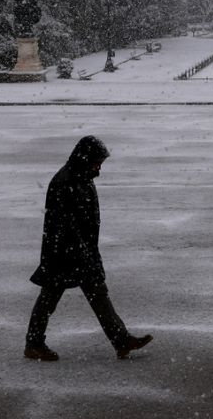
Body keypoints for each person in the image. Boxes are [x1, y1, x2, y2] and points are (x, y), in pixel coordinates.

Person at [24, 135, 153, 361]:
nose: (99, 168)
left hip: (82, 252)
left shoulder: (83, 177)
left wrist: (89, 252)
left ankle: (121, 341)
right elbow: (62, 225)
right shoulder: (64, 182)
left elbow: (87, 222)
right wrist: (80, 253)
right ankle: (33, 344)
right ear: (85, 159)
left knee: (98, 295)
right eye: (97, 163)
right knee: (49, 299)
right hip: (63, 254)